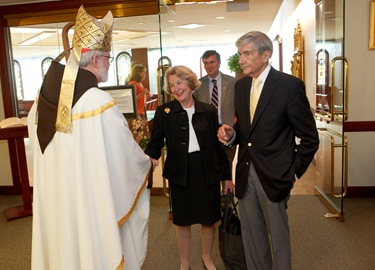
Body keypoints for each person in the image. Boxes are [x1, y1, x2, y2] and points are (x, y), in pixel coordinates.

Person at [27, 6, 152, 270]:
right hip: (87, 206)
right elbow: (123, 159)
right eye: (108, 57)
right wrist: (146, 163)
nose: (109, 63)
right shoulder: (98, 103)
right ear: (95, 60)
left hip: (55, 200)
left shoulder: (41, 100)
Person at [218, 31, 319, 270]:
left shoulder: (289, 86)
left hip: (275, 175)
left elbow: (309, 138)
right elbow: (245, 130)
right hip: (245, 172)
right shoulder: (241, 86)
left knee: (278, 238)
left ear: (266, 55)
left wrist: (292, 173)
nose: (241, 60)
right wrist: (232, 136)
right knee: (253, 238)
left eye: (247, 54)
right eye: (239, 54)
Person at [145, 65, 234, 270]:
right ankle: (184, 264)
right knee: (182, 221)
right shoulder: (164, 112)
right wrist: (149, 158)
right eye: (172, 85)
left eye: (180, 82)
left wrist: (227, 177)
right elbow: (155, 142)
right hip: (179, 173)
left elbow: (219, 147)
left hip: (207, 172)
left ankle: (206, 259)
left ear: (190, 83)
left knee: (208, 219)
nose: (176, 88)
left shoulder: (208, 109)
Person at [193, 50, 237, 175]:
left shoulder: (233, 83)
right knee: (209, 168)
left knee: (226, 166)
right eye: (206, 63)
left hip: (227, 131)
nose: (209, 66)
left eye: (212, 62)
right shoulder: (198, 85)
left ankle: (227, 191)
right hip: (206, 132)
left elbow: (239, 108)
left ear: (219, 63)